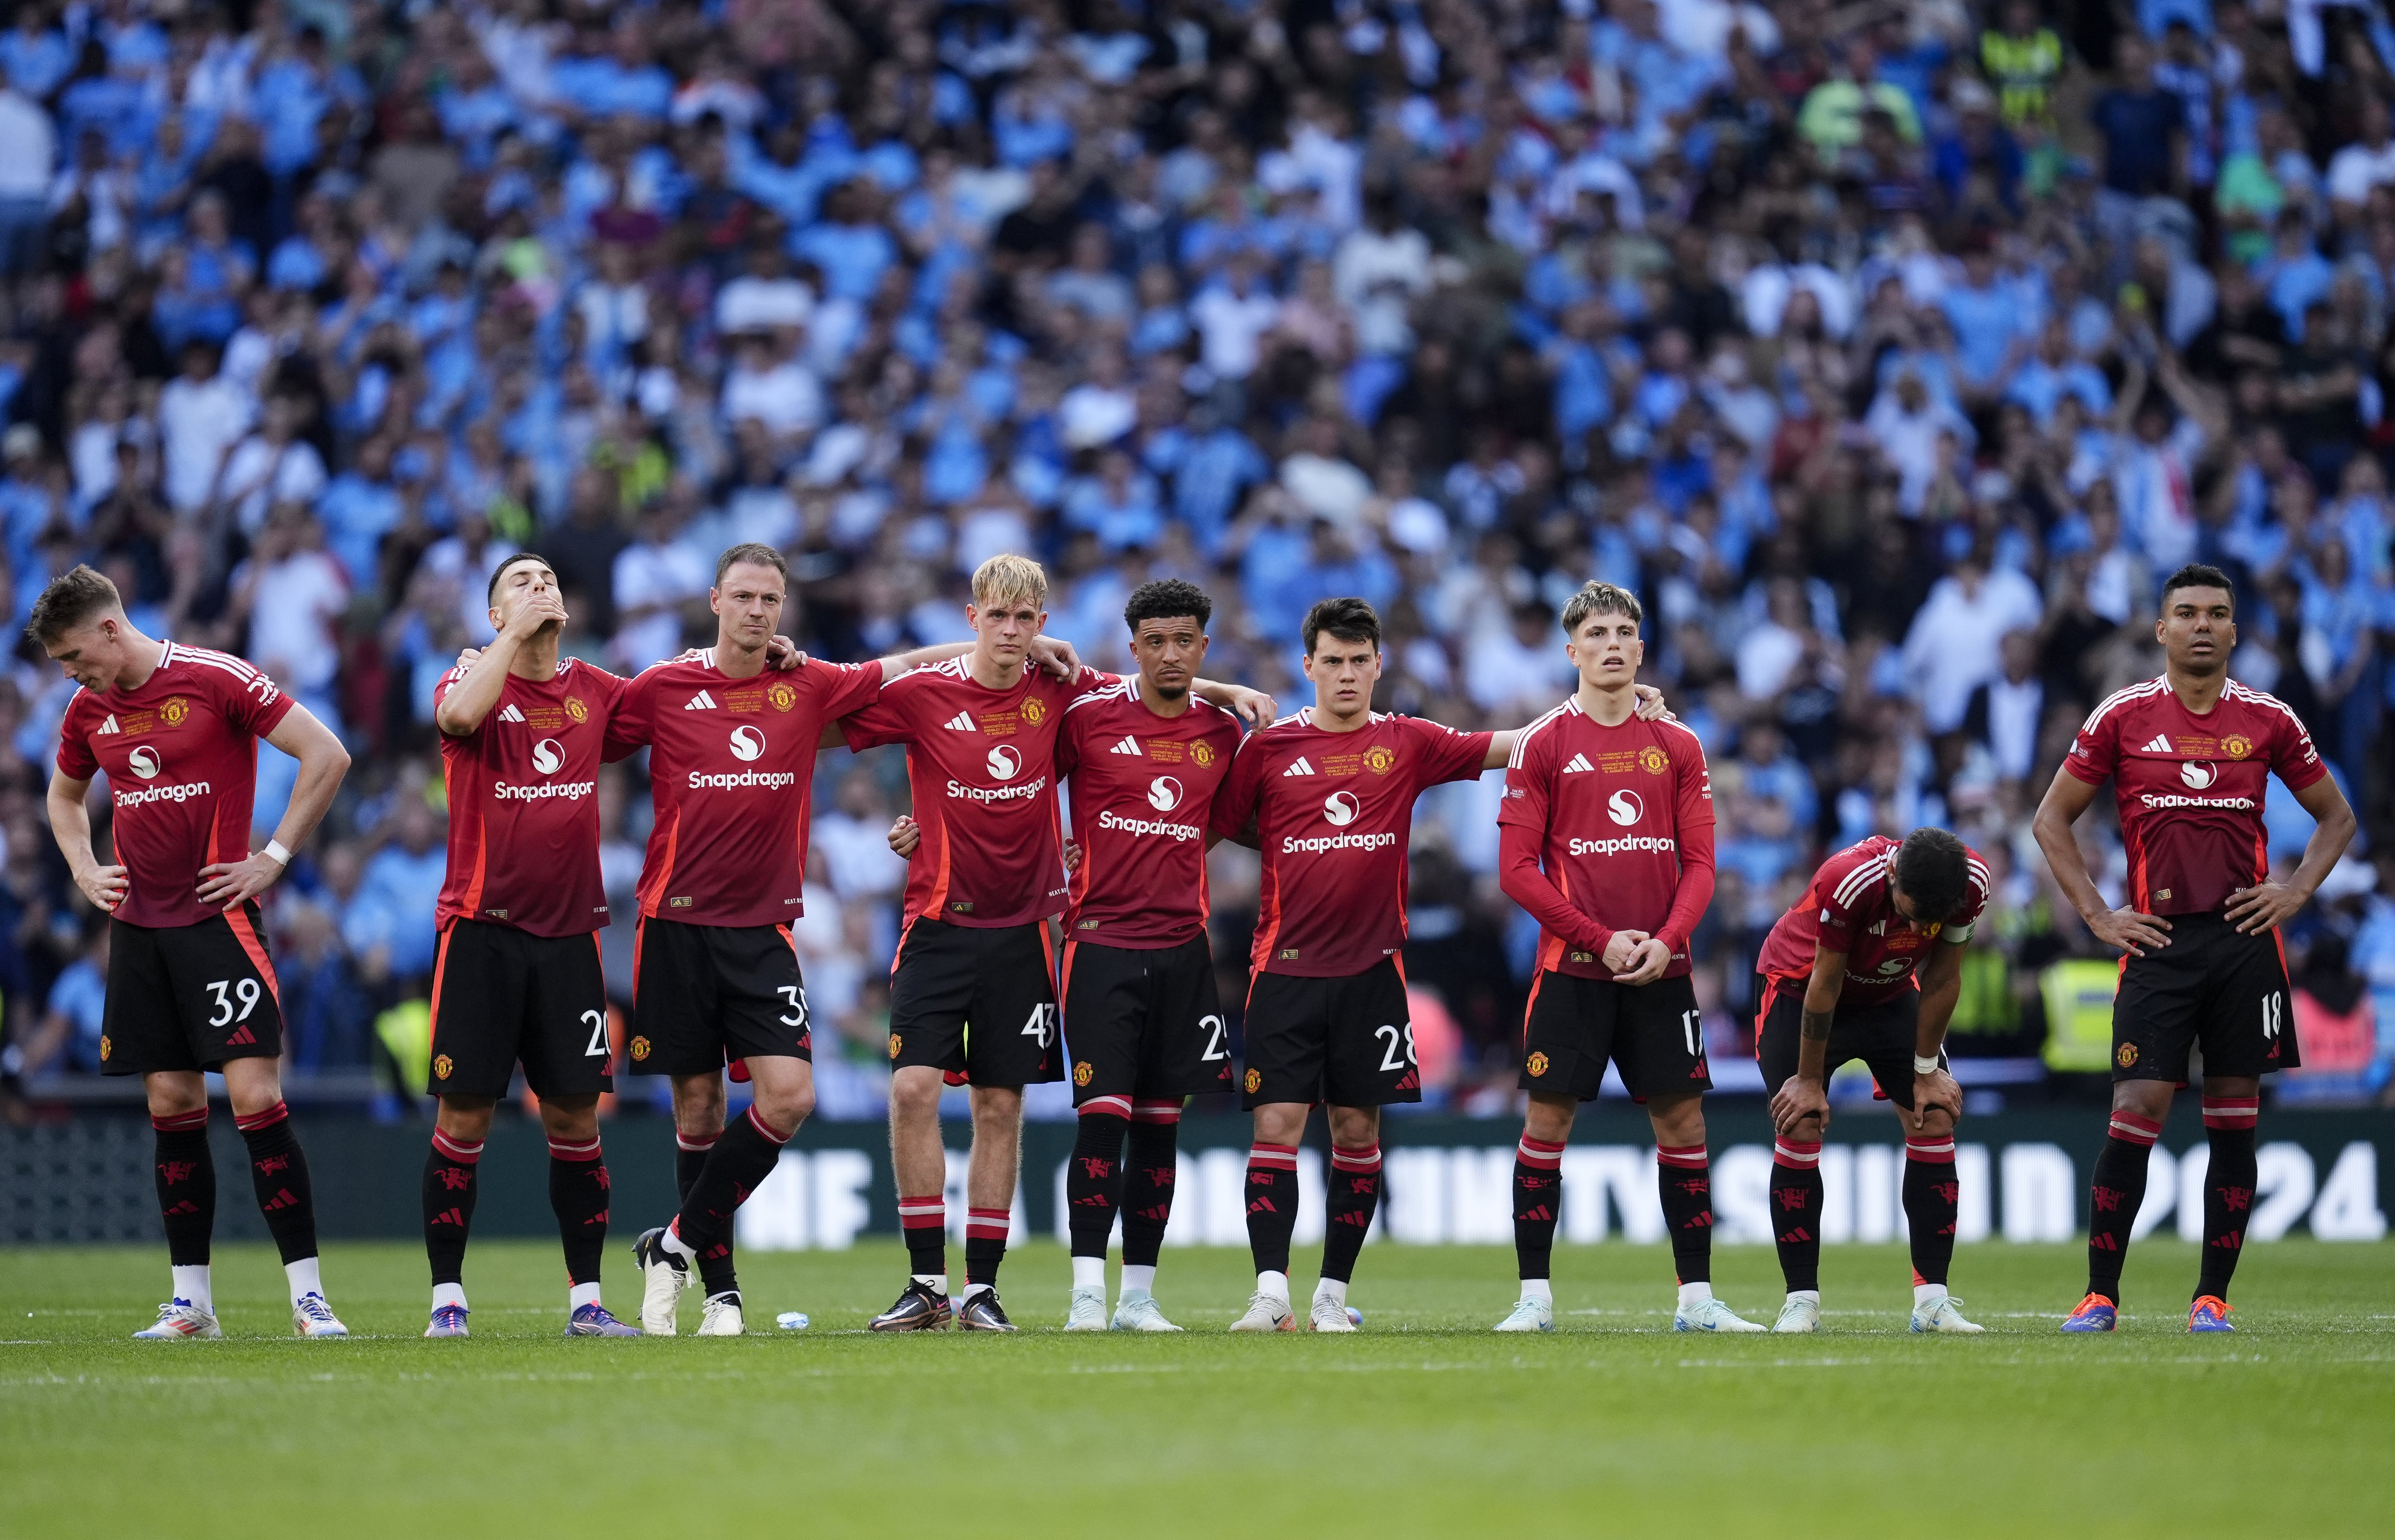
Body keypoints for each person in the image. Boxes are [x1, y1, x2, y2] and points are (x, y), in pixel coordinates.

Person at [839, 554, 1267, 1332]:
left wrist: (1225, 689)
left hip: (1026, 929)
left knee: (1000, 1105)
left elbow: (1152, 684)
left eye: (1025, 619)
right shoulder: (925, 694)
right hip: (936, 923)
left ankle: (981, 1290)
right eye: (996, 616)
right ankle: (925, 1281)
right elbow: (838, 712)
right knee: (912, 1090)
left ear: (1043, 624)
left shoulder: (1063, 691)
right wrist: (914, 824)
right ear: (973, 618)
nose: (1011, 631)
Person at [620, 544, 1017, 1336]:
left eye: (771, 598)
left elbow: (900, 665)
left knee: (790, 1096)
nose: (758, 611)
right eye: (744, 596)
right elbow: (585, 730)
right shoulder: (664, 686)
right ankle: (722, 1294)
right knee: (696, 1109)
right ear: (715, 600)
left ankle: (670, 1243)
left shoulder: (806, 684)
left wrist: (1011, 648)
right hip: (673, 923)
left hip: (763, 927)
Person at [2032, 563, 2355, 1334]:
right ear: (2162, 630)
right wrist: (2099, 915)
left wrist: (2294, 893)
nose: (2203, 624)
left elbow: (2336, 817)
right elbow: (2052, 820)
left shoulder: (2270, 719)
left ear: (2235, 631)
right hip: (2159, 940)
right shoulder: (2123, 717)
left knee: (2233, 1119)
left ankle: (2212, 1297)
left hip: (2245, 939)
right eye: (2187, 612)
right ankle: (2100, 1294)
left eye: (2217, 613)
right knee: (2136, 1107)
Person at [36, 564, 353, 1340]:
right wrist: (83, 866)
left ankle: (309, 1297)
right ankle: (192, 1304)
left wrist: (272, 858)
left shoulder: (216, 678)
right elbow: (63, 796)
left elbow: (327, 754)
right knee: (172, 1103)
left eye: (77, 656)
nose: (75, 675)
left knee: (253, 1098)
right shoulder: (88, 710)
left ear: (111, 628)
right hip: (141, 932)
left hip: (221, 922)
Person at [1210, 598, 1505, 1333]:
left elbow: (1512, 745)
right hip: (1284, 967)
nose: (1345, 674)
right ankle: (1271, 1295)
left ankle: (1332, 1296)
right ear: (1307, 667)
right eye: (1332, 661)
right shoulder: (1269, 749)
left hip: (1372, 973)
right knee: (1276, 1124)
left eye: (1358, 661)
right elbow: (1220, 822)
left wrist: (1598, 707)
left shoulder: (1408, 741)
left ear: (1379, 665)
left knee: (1354, 1131)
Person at [1491, 582, 1763, 1335]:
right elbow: (1515, 869)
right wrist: (1596, 936)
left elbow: (1702, 864)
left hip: (1660, 974)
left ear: (1642, 649)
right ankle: (1534, 1300)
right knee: (1546, 1126)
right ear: (1571, 649)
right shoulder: (1544, 741)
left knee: (1684, 1127)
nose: (1612, 644)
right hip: (1572, 973)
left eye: (1625, 632)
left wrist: (1667, 941)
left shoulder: (1679, 743)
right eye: (1597, 633)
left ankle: (1697, 1301)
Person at [419, 552, 642, 1338]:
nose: (541, 584)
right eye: (520, 581)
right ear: (492, 615)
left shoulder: (598, 690)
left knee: (577, 1119)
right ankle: (448, 1297)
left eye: (549, 577)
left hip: (571, 939)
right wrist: (504, 645)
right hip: (481, 932)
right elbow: (454, 723)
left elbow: (691, 708)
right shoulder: (469, 682)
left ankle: (588, 1301)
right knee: (467, 1116)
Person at [1757, 827, 1992, 1335]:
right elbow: (1825, 981)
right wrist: (1807, 1079)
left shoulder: (1971, 884)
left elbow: (1943, 976)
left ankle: (1932, 1303)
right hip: (1802, 991)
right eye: (1908, 912)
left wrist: (1926, 1072)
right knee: (1798, 1124)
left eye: (1924, 921)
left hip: (1888, 997)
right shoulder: (1849, 879)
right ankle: (1800, 1302)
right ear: (1891, 874)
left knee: (1933, 1118)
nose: (1913, 926)